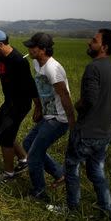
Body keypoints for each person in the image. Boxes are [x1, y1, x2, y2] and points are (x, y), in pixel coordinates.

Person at [65, 29, 111, 217]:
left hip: (87, 131)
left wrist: (77, 105)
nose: (89, 42)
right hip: (104, 133)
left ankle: (72, 209)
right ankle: (106, 210)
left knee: (72, 168)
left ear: (104, 47)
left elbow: (90, 99)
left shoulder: (93, 67)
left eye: (94, 40)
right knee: (97, 172)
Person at [0, 29, 38, 182]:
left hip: (19, 104)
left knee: (5, 136)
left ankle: (8, 174)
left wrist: (39, 107)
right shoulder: (1, 58)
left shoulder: (19, 61)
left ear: (0, 44)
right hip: (9, 102)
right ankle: (24, 160)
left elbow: (31, 86)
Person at [22, 32, 75, 202]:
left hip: (58, 120)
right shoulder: (38, 64)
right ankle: (59, 174)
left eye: (32, 47)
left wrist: (72, 123)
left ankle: (39, 193)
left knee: (34, 156)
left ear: (43, 49)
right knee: (28, 143)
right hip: (48, 115)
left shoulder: (53, 69)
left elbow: (65, 95)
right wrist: (39, 108)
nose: (29, 49)